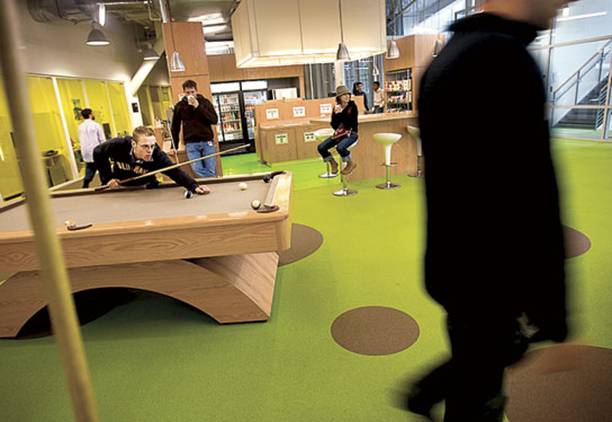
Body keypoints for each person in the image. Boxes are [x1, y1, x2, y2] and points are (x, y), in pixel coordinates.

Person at [404, 1, 574, 420]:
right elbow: (533, 191)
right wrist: (554, 310)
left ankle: (427, 392)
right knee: (482, 388)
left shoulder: (449, 54)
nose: (566, 2)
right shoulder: (502, 57)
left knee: (484, 360)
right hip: (489, 274)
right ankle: (426, 391)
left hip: (457, 266)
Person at [93, 126, 209, 194]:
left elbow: (174, 171)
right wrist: (108, 178)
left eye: (152, 146)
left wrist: (193, 186)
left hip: (148, 188)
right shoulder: (118, 145)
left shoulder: (157, 155)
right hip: (121, 188)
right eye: (145, 146)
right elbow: (98, 152)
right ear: (134, 144)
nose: (150, 151)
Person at [171, 80, 219, 178]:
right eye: (188, 93)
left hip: (207, 141)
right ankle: (211, 180)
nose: (190, 95)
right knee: (197, 169)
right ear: (184, 93)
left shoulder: (205, 102)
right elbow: (175, 126)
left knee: (210, 168)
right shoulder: (180, 106)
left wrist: (198, 107)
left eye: (192, 92)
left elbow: (214, 120)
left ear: (196, 91)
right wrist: (174, 146)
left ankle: (210, 182)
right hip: (191, 143)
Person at [317, 85, 359, 175]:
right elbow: (334, 125)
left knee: (340, 147)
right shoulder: (336, 107)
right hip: (339, 134)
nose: (347, 96)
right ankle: (333, 162)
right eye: (344, 95)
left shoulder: (352, 106)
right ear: (339, 97)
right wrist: (336, 115)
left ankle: (350, 163)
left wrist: (340, 114)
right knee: (321, 147)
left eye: (348, 94)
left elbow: (350, 124)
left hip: (351, 134)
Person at [77, 108, 106, 188]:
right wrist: (105, 151)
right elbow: (102, 139)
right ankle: (104, 183)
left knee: (90, 167)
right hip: (96, 151)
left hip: (86, 152)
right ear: (90, 115)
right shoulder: (96, 125)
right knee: (102, 168)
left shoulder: (80, 127)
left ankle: (86, 182)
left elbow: (81, 139)